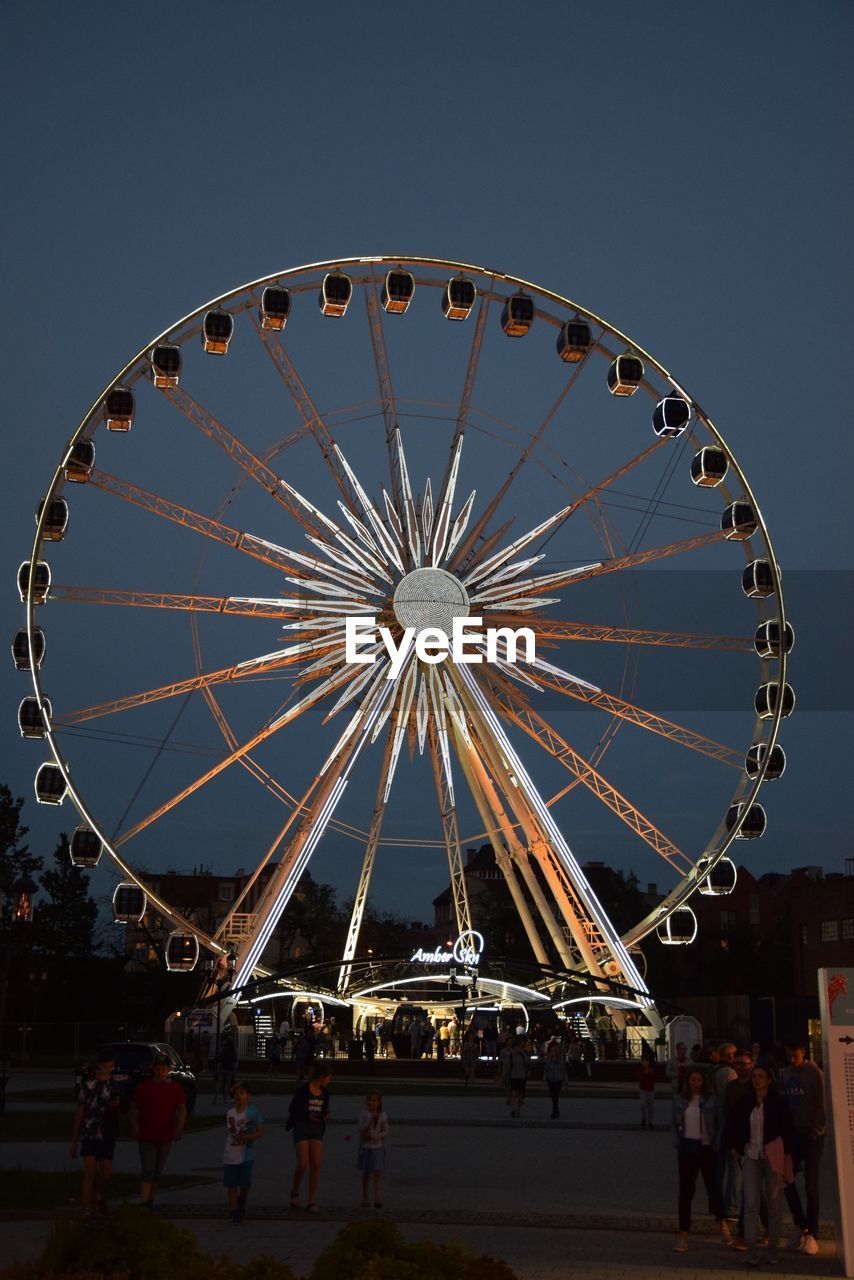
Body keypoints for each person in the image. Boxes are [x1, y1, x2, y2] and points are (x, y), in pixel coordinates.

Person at [725, 1063, 794, 1267]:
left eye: (761, 1076)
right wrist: (736, 1149)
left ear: (769, 1080)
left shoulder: (777, 1103)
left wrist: (784, 1152)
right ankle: (751, 1248)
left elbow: (787, 1129)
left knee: (774, 1205)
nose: (757, 1080)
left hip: (772, 1157)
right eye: (754, 1076)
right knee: (751, 1203)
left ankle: (772, 1248)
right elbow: (733, 1125)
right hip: (751, 1156)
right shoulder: (745, 1102)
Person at [671, 1067, 731, 1253]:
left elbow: (720, 1123)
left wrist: (717, 1143)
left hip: (707, 1148)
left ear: (704, 1082)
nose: (695, 1083)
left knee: (714, 1189)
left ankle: (723, 1226)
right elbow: (674, 1122)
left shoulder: (711, 1100)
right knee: (685, 1193)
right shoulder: (680, 1100)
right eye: (693, 1079)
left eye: (698, 1080)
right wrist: (677, 1142)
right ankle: (683, 1235)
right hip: (687, 1148)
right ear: (687, 1081)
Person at [779, 1038, 825, 1256]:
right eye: (789, 1056)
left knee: (811, 1185)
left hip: (811, 1135)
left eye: (795, 1056)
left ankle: (812, 1233)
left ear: (803, 1053)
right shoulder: (785, 1073)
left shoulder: (814, 1073)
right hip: (793, 1134)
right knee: (786, 1179)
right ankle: (801, 1223)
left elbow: (822, 1102)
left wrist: (817, 1129)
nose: (792, 1060)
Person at [130, 1054, 186, 1208]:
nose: (160, 1072)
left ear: (168, 1070)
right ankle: (144, 1201)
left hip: (165, 1135)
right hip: (147, 1135)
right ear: (153, 1069)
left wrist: (179, 1128)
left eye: (163, 1069)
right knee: (148, 1169)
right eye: (158, 1069)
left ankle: (150, 1199)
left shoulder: (175, 1088)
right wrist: (134, 1126)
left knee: (157, 1171)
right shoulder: (145, 1087)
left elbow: (182, 1109)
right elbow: (134, 1108)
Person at [70, 1049, 120, 1216]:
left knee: (105, 1174)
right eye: (105, 1066)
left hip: (106, 1133)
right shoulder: (88, 1085)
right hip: (90, 1132)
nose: (107, 1070)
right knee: (90, 1172)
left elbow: (121, 1107)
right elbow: (80, 1112)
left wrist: (116, 1106)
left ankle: (99, 1194)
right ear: (99, 1066)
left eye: (110, 1066)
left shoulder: (114, 1086)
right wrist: (75, 1141)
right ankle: (86, 1210)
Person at [288, 1061, 332, 1212]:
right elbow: (292, 1108)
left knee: (316, 1164)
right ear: (321, 1077)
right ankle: (294, 1190)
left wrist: (325, 1115)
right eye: (328, 1078)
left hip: (317, 1129)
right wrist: (308, 1116)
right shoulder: (304, 1090)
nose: (329, 1081)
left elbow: (324, 1108)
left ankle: (312, 1200)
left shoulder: (325, 1093)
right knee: (303, 1163)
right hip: (302, 1127)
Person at [222, 1081, 263, 1223]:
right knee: (231, 1183)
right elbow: (232, 1130)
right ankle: (234, 1210)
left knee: (245, 1182)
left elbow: (259, 1131)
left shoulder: (253, 1112)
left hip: (247, 1152)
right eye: (235, 1094)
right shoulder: (230, 1113)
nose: (238, 1096)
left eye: (241, 1093)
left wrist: (250, 1136)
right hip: (232, 1152)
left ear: (248, 1095)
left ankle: (242, 1199)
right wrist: (237, 1131)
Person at [357, 1089, 389, 1209]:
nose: (372, 1103)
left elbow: (386, 1131)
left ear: (379, 1102)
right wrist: (371, 1121)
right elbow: (360, 1129)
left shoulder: (383, 1115)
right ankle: (365, 1197)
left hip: (378, 1148)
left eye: (375, 1100)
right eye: (370, 1100)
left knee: (377, 1173)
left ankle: (377, 1198)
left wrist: (375, 1136)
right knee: (366, 1173)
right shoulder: (364, 1114)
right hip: (366, 1148)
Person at [543, 1039, 568, 1119]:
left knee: (555, 1095)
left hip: (558, 1079)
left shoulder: (560, 1061)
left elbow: (564, 1070)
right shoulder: (549, 1060)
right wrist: (545, 1079)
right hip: (551, 1079)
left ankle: (555, 1110)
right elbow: (546, 1069)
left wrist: (565, 1080)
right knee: (553, 1095)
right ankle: (555, 1109)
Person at [509, 1039, 531, 1119]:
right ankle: (514, 1110)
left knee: (521, 1095)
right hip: (513, 1077)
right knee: (514, 1094)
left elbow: (528, 1062)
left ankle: (518, 1110)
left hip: (522, 1077)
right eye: (516, 1047)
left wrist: (528, 1071)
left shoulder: (523, 1055)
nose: (517, 1049)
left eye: (518, 1047)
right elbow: (508, 1067)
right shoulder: (510, 1056)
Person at [213, 1036, 238, 1103]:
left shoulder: (222, 1050)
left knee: (220, 1083)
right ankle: (225, 1099)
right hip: (229, 1069)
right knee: (227, 1084)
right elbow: (234, 1061)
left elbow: (219, 1060)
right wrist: (235, 1070)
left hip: (222, 1068)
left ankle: (215, 1098)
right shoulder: (233, 1051)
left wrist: (218, 1068)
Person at [638, 1052, 656, 1129]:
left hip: (650, 1090)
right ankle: (644, 1118)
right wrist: (644, 1073)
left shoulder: (652, 1069)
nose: (645, 1063)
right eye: (644, 1061)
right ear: (642, 1062)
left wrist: (650, 1073)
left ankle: (650, 1121)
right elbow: (638, 1077)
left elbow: (655, 1077)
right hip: (643, 1089)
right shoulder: (640, 1069)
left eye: (647, 1061)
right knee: (643, 1104)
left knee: (650, 1106)